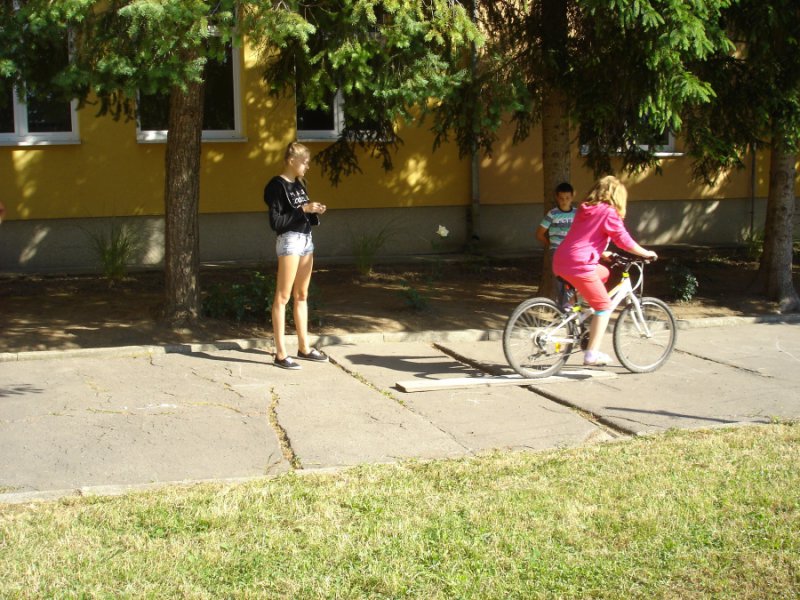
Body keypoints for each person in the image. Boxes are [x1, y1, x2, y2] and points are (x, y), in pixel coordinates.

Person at [553, 175, 657, 366]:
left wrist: (602, 252)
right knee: (604, 307)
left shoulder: (585, 208)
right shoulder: (608, 212)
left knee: (604, 273)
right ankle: (591, 354)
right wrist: (646, 253)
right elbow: (623, 240)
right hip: (580, 264)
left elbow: (583, 237)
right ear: (617, 195)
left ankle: (571, 305)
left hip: (561, 259)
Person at [264, 142, 328, 370]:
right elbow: (276, 222)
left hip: (306, 240)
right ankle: (281, 354)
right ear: (292, 161)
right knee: (283, 297)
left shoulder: (299, 185)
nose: (307, 166)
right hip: (289, 241)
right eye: (305, 162)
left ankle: (304, 348)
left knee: (302, 295)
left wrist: (313, 210)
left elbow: (301, 213)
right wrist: (303, 210)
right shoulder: (277, 185)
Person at [536, 182, 576, 306]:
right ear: (557, 198)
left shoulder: (577, 213)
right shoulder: (552, 214)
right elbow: (539, 234)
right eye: (561, 198)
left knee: (572, 280)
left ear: (572, 197)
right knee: (559, 281)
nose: (564, 201)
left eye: (567, 198)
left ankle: (570, 306)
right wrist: (551, 245)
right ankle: (563, 307)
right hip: (557, 250)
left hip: (572, 251)